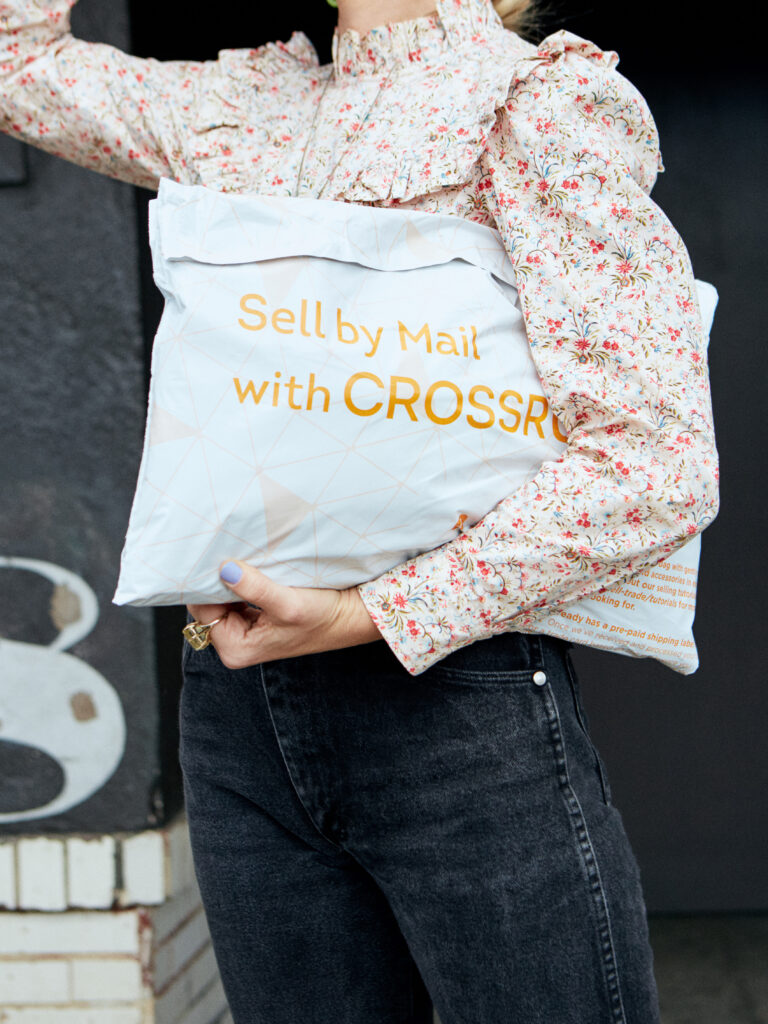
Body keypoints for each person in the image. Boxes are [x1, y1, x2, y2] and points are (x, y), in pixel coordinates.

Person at [0, 0, 719, 1021]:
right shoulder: (240, 105)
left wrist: (369, 613)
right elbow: (13, 58)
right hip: (237, 712)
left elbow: (658, 460)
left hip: (451, 702)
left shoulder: (534, 103)